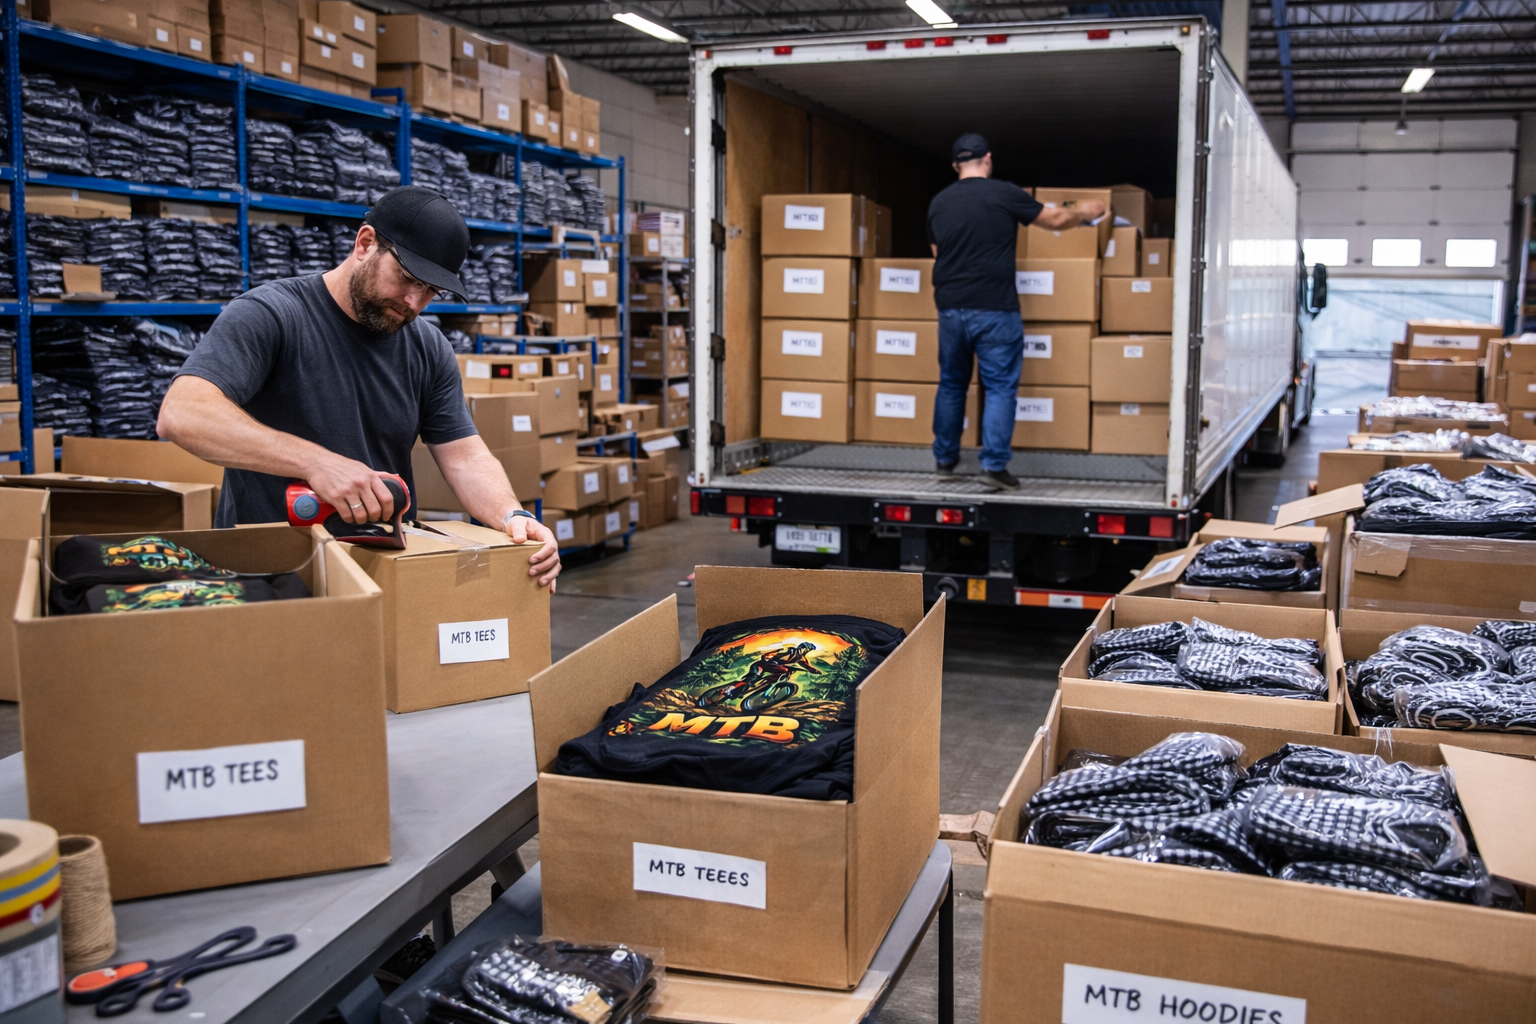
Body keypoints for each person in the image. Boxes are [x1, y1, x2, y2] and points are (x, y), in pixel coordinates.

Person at [158, 185, 561, 588]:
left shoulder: (428, 347)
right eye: (406, 278)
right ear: (366, 243)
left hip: (377, 571)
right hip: (268, 572)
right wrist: (317, 463)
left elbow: (465, 457)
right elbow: (183, 413)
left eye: (430, 292)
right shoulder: (271, 314)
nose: (413, 302)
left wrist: (514, 517)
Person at [927, 133, 1107, 489]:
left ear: (955, 166)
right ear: (988, 160)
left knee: (951, 384)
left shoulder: (938, 202)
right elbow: (1054, 221)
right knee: (998, 387)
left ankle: (945, 460)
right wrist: (1083, 212)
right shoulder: (1003, 193)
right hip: (994, 308)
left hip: (950, 309)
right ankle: (993, 467)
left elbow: (937, 252)